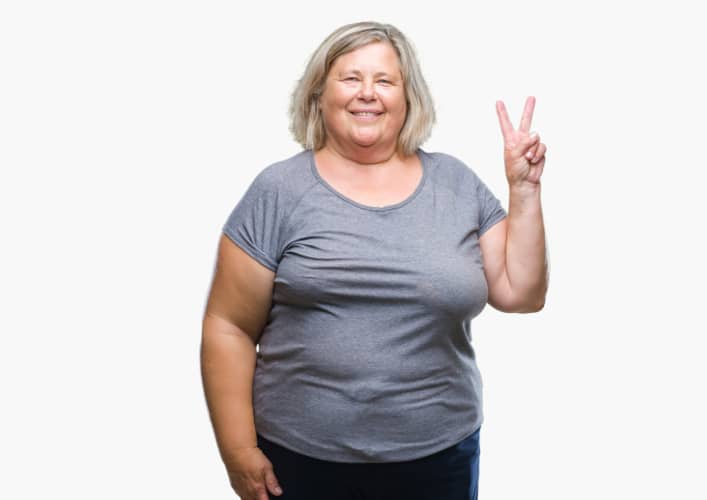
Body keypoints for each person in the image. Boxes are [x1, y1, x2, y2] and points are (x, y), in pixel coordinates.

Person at [201, 20, 548, 500]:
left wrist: (524, 190)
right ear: (320, 95)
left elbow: (522, 293)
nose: (368, 93)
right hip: (298, 462)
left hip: (439, 460)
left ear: (409, 100)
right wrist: (236, 450)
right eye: (350, 78)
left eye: (385, 81)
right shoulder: (278, 191)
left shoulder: (456, 184)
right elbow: (228, 326)